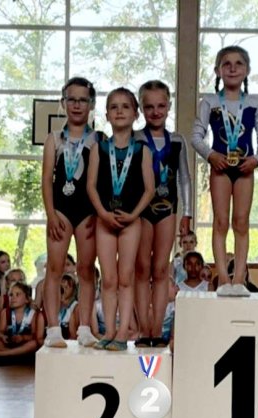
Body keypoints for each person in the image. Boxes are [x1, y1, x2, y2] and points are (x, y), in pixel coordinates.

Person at [192, 45, 258, 297]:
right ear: (218, 71)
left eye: (239, 64)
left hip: (245, 168)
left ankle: (239, 279)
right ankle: (223, 278)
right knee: (221, 221)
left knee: (241, 222)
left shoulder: (254, 103)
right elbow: (196, 136)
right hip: (221, 168)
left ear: (247, 70)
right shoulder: (210, 102)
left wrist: (256, 159)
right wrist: (211, 155)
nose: (233, 68)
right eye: (227, 64)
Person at [87, 87, 155, 351]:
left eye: (125, 106)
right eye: (114, 107)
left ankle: (124, 331)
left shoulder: (141, 150)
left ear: (136, 114)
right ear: (106, 114)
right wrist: (103, 214)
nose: (119, 111)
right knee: (108, 279)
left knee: (126, 277)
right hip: (104, 220)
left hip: (131, 221)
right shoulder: (99, 148)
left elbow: (149, 189)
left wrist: (133, 215)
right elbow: (91, 186)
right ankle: (109, 330)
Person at [134, 80, 193, 348]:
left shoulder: (177, 141)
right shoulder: (135, 139)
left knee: (160, 269)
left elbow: (185, 179)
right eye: (149, 107)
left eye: (161, 106)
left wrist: (187, 213)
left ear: (169, 106)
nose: (155, 112)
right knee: (141, 269)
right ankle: (142, 329)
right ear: (141, 108)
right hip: (141, 211)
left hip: (168, 209)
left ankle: (157, 329)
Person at [41, 77, 99, 348]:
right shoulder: (53, 139)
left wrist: (98, 214)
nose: (77, 105)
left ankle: (85, 328)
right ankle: (53, 329)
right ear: (63, 103)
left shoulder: (98, 140)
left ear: (91, 104)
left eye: (82, 100)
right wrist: (51, 214)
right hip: (61, 210)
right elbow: (46, 180)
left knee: (86, 270)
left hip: (88, 212)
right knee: (54, 268)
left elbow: (101, 182)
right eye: (72, 100)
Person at [0, 281, 38, 357]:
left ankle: (2, 353)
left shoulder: (33, 314)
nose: (13, 298)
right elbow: (0, 331)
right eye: (11, 295)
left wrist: (22, 338)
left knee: (34, 344)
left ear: (27, 299)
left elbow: (34, 335)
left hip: (23, 343)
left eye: (17, 294)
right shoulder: (5, 312)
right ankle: (15, 354)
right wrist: (3, 337)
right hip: (9, 344)